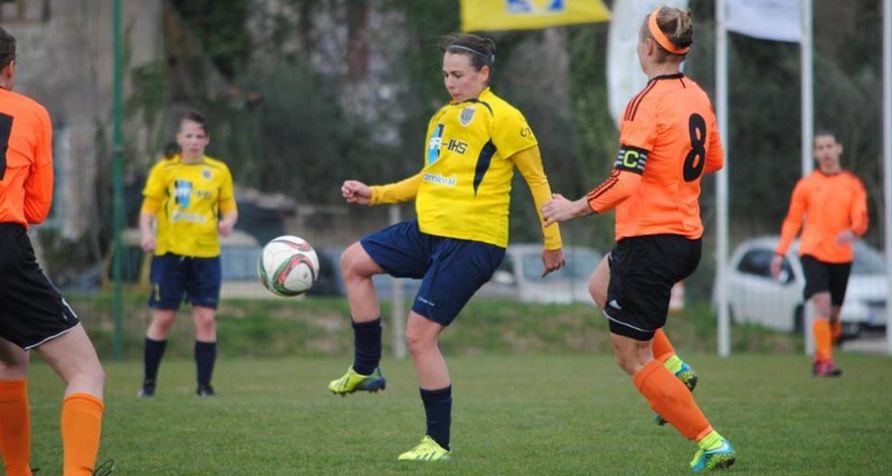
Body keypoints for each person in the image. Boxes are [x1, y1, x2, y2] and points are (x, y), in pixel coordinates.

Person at [329, 32, 566, 461]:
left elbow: (537, 180)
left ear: (484, 73)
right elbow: (430, 176)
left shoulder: (504, 117)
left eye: (459, 75)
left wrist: (552, 241)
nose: (451, 83)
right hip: (428, 231)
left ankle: (437, 443)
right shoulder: (441, 117)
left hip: (473, 240)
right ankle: (366, 368)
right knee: (352, 262)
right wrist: (375, 194)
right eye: (446, 75)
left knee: (419, 336)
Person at [541, 7, 735, 472]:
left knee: (631, 356)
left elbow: (624, 183)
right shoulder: (697, 95)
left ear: (648, 47)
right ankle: (676, 369)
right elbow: (714, 160)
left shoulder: (644, 103)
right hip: (685, 238)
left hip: (650, 241)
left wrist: (572, 207)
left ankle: (710, 441)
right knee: (599, 287)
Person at [0, 26, 108, 476]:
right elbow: (38, 208)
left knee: (11, 358)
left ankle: (18, 470)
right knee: (86, 372)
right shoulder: (31, 113)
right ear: (10, 69)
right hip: (4, 250)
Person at [138, 110, 238, 397]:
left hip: (206, 256)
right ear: (180, 138)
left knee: (206, 319)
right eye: (189, 135)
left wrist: (228, 222)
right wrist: (147, 233)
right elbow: (148, 210)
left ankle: (204, 387)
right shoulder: (165, 170)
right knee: (163, 319)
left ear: (207, 140)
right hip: (170, 255)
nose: (194, 141)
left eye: (199, 136)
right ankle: (148, 385)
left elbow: (230, 208)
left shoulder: (218, 171)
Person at [770, 131, 868, 377]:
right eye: (820, 147)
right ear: (815, 153)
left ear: (838, 149)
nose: (825, 151)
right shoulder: (806, 185)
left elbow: (860, 215)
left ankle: (821, 354)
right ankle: (824, 362)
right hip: (812, 252)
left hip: (841, 256)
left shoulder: (852, 184)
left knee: (833, 315)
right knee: (821, 303)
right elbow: (793, 221)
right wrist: (780, 253)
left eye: (829, 146)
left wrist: (853, 231)